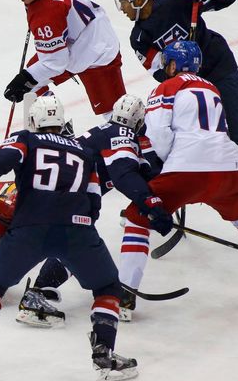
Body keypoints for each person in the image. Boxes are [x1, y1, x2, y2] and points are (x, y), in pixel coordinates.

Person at [0, 96, 138, 381]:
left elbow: (0, 161)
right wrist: (80, 231)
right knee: (107, 287)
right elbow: (94, 202)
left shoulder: (27, 139)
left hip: (29, 229)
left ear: (35, 122)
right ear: (62, 124)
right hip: (78, 230)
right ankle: (104, 357)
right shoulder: (85, 151)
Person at [118, 41, 238, 320]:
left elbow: (159, 134)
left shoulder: (166, 87)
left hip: (188, 167)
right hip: (229, 167)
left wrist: (166, 165)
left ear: (173, 64)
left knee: (137, 216)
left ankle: (124, 295)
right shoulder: (212, 88)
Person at [15, 94, 171, 326]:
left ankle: (42, 290)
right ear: (138, 121)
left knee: (74, 243)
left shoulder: (109, 130)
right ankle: (34, 297)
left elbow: (143, 170)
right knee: (74, 242)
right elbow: (124, 174)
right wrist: (151, 204)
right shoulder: (123, 135)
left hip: (62, 189)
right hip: (67, 193)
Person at [114, 0, 238, 187]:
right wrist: (181, 66)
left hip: (220, 70)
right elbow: (160, 73)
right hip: (193, 89)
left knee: (235, 146)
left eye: (124, 3)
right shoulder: (139, 37)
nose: (122, 10)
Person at [3, 0, 126, 117]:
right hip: (78, 33)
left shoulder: (46, 17)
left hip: (97, 49)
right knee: (32, 87)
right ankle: (53, 130)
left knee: (115, 115)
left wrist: (23, 79)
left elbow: (56, 63)